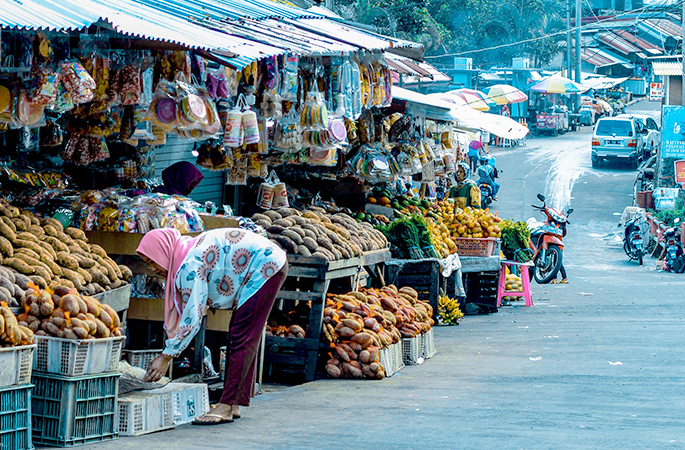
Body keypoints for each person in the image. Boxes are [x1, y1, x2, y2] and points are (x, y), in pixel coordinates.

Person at [137, 227, 288, 425]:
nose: (153, 269)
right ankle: (233, 404)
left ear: (164, 251)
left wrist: (167, 356)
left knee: (242, 336)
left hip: (266, 267)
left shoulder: (189, 265)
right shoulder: (186, 252)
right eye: (148, 263)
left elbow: (193, 318)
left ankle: (226, 406)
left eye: (152, 261)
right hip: (266, 264)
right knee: (239, 335)